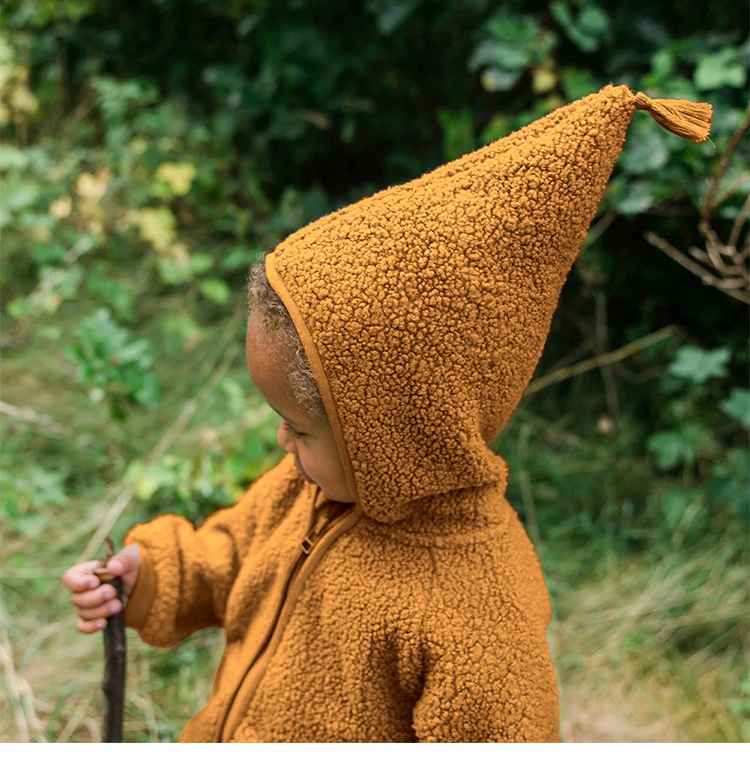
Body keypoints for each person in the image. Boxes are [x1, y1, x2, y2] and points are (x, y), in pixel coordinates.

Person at [62, 85, 712, 742]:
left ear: (398, 432)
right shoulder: (308, 488)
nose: (282, 438)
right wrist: (152, 575)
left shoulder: (477, 614)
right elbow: (232, 557)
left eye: (301, 427)